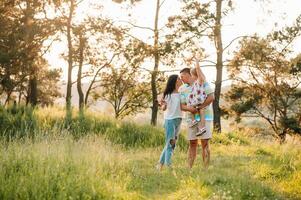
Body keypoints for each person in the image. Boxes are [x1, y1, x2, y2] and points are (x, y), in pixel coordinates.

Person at [179, 59, 215, 169]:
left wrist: (200, 107)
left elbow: (211, 98)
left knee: (204, 143)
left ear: (189, 75)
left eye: (182, 76)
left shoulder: (203, 83)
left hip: (205, 117)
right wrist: (191, 109)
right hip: (191, 118)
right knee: (192, 143)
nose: (181, 79)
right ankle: (189, 168)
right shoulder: (182, 89)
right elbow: (182, 105)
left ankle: (206, 168)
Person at [157, 74, 183, 170]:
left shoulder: (180, 94)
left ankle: (160, 164)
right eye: (179, 79)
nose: (181, 80)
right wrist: (163, 104)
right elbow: (163, 108)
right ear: (175, 81)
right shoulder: (167, 95)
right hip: (170, 121)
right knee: (170, 144)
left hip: (178, 120)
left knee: (172, 144)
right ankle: (169, 166)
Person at [187, 57, 207, 137]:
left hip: (197, 100)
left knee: (189, 107)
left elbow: (198, 70)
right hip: (199, 100)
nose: (191, 76)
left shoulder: (200, 80)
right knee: (202, 112)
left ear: (195, 75)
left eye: (192, 75)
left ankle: (193, 120)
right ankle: (202, 128)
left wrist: (197, 63)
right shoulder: (196, 82)